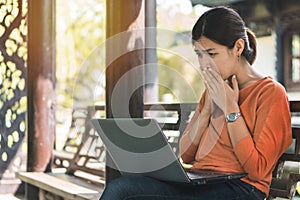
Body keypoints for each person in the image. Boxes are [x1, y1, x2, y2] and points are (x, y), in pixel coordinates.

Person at [99, 6, 292, 200]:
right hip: (200, 184)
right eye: (199, 54)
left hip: (242, 189)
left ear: (238, 48)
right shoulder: (212, 92)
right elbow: (186, 155)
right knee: (120, 189)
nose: (203, 63)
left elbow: (257, 170)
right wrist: (206, 110)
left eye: (211, 53)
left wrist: (230, 109)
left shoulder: (270, 93)